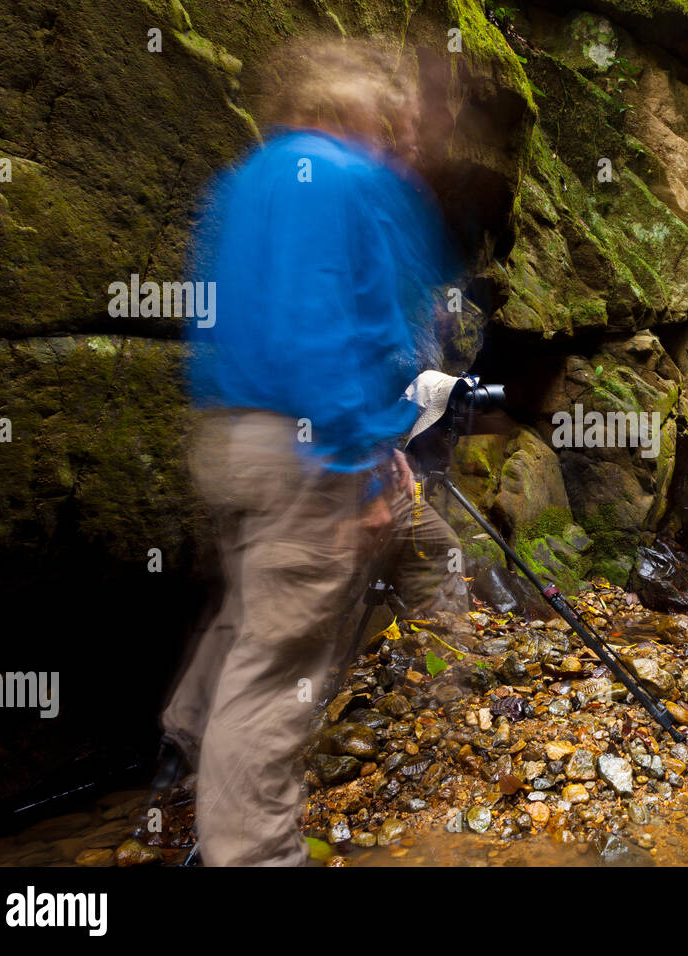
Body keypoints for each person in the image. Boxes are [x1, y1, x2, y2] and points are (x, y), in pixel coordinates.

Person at [158, 35, 458, 866]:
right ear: (350, 107)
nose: (401, 135)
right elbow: (337, 334)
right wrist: (362, 458)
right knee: (280, 666)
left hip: (229, 436)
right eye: (392, 117)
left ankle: (186, 745)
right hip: (311, 445)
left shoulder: (243, 181)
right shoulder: (352, 180)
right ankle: (251, 851)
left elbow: (230, 319)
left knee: (257, 610)